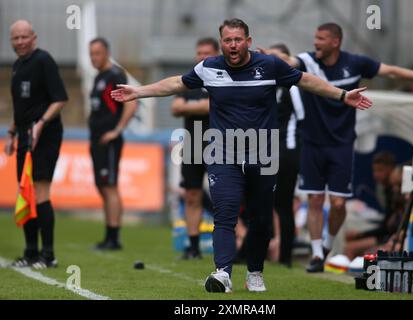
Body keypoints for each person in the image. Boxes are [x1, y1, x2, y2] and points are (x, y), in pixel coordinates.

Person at [111, 18, 372, 293]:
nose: (232, 45)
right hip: (223, 152)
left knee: (260, 218)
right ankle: (222, 273)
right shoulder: (209, 67)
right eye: (227, 40)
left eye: (238, 40)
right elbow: (176, 83)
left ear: (247, 41)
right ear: (221, 43)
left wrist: (342, 96)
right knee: (225, 212)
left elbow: (306, 80)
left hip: (263, 152)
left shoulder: (269, 65)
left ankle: (255, 272)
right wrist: (138, 91)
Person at [260, 22, 413, 272]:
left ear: (335, 42)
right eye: (315, 37)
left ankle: (327, 245)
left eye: (321, 38)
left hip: (341, 144)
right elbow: (288, 59)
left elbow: (390, 71)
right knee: (315, 199)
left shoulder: (355, 63)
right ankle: (317, 255)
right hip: (313, 144)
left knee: (338, 204)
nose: (315, 42)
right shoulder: (307, 60)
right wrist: (265, 57)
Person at [4, 20, 68, 269]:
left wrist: (40, 123)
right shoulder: (19, 66)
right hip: (24, 137)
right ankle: (30, 253)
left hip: (46, 135)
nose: (19, 42)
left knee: (40, 192)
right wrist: (11, 132)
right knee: (26, 192)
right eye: (15, 38)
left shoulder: (44, 61)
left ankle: (48, 255)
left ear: (34, 37)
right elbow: (22, 107)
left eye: (24, 37)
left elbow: (60, 99)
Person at [171, 38, 220, 259]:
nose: (201, 57)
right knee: (192, 195)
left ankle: (233, 242)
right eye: (198, 52)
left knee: (223, 196)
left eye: (206, 53)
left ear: (217, 54)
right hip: (192, 144)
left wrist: (190, 107)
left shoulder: (222, 78)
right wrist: (202, 106)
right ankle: (192, 247)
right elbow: (175, 108)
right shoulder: (189, 80)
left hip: (219, 144)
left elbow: (214, 106)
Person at [88, 37, 137, 250]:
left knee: (110, 186)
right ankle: (108, 235)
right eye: (91, 54)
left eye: (97, 53)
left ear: (107, 53)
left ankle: (114, 238)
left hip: (109, 141)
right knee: (102, 185)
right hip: (97, 139)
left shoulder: (115, 75)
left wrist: (116, 131)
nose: (93, 58)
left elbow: (131, 103)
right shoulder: (100, 76)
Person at [270, 43, 303, 268]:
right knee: (267, 202)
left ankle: (286, 257)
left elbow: (303, 116)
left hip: (287, 150)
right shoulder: (269, 84)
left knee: (283, 204)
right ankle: (254, 250)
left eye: (277, 58)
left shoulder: (293, 85)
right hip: (267, 148)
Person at [345, 165, 405, 259]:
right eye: (393, 186)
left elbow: (400, 232)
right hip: (386, 238)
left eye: (399, 185)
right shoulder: (393, 199)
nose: (395, 189)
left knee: (363, 252)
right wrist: (361, 234)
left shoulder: (410, 203)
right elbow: (385, 227)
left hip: (392, 240)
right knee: (350, 247)